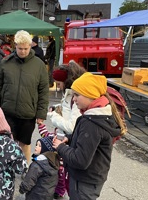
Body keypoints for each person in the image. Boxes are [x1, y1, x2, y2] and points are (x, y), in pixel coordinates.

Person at [53, 72, 127, 200]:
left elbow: (80, 160)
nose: (73, 99)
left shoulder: (91, 123)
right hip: (93, 177)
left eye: (77, 95)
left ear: (90, 95)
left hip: (84, 180)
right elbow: (88, 141)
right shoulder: (100, 115)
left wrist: (60, 147)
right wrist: (69, 139)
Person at [0, 30, 49, 163]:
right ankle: (8, 169)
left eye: (26, 48)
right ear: (15, 46)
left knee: (25, 144)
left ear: (30, 46)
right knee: (7, 144)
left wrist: (41, 114)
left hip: (28, 114)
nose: (23, 51)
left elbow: (43, 90)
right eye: (20, 48)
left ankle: (25, 168)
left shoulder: (39, 65)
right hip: (7, 112)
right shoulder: (6, 62)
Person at [40, 61, 86, 199]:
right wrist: (56, 107)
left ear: (66, 81)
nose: (58, 87)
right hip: (67, 139)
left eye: (59, 83)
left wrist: (53, 116)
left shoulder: (76, 97)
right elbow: (66, 107)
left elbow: (72, 126)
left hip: (70, 140)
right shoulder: (70, 94)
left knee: (68, 174)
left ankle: (63, 192)